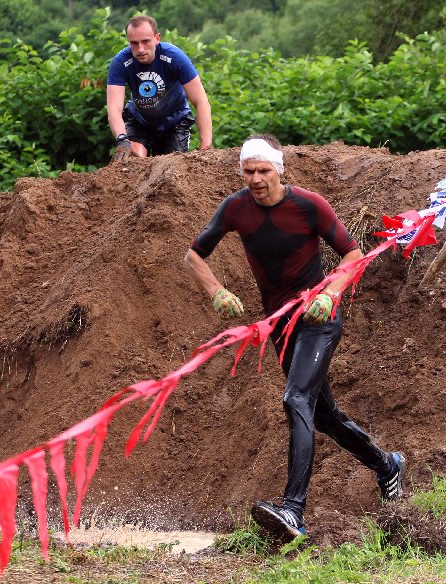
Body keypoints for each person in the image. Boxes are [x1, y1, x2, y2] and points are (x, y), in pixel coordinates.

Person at [183, 134, 406, 542]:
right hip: (282, 327)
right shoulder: (235, 208)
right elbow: (193, 255)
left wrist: (330, 293)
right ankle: (387, 465)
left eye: (263, 170)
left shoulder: (308, 204)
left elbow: (353, 255)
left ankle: (293, 510)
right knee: (323, 416)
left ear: (279, 170)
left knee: (295, 398)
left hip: (319, 318)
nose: (255, 179)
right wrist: (216, 291)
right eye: (248, 171)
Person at [107, 14, 213, 160]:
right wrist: (122, 139)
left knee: (170, 168)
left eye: (145, 41)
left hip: (175, 122)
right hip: (139, 121)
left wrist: (206, 149)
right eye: (134, 43)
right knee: (132, 161)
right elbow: (114, 108)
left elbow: (201, 101)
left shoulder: (175, 57)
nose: (140, 49)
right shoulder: (120, 62)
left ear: (157, 38)